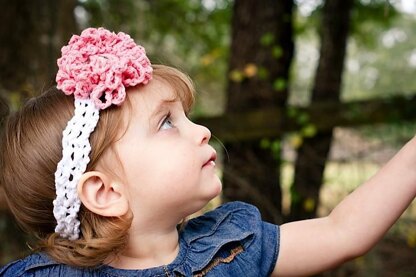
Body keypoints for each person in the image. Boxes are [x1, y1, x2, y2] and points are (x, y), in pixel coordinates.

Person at [0, 27, 414, 277]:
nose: (202, 132)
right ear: (106, 193)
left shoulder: (231, 250)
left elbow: (343, 232)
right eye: (166, 123)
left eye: (186, 117)